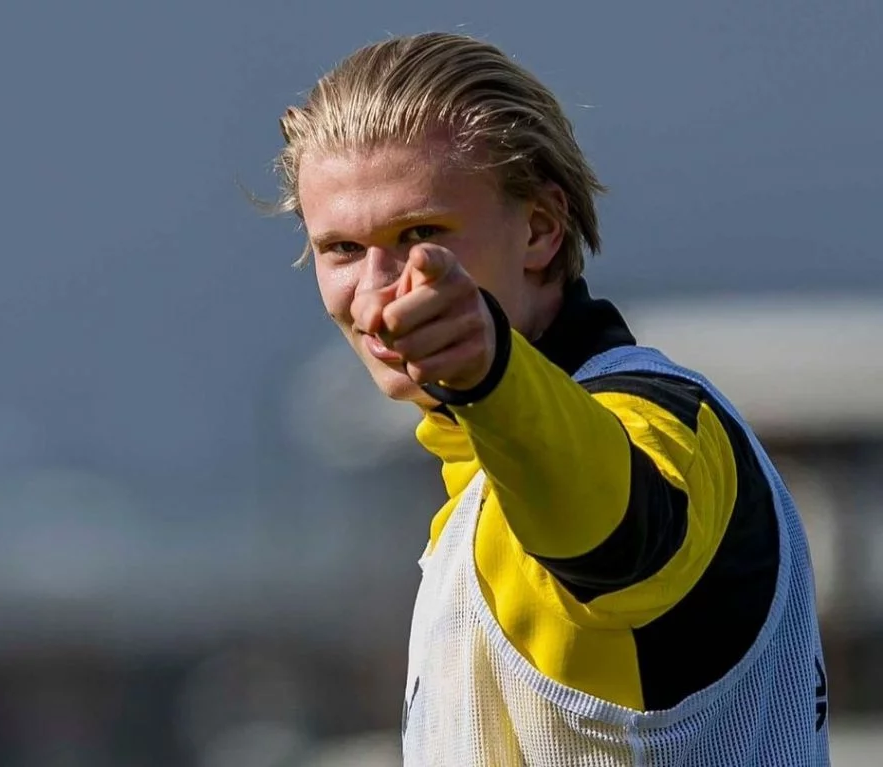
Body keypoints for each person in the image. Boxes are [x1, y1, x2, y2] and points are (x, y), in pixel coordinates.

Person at [270, 32, 830, 766]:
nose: (375, 291)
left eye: (421, 233)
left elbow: (618, 535)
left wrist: (491, 372)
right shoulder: (474, 485)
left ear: (540, 228)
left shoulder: (666, 420)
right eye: (341, 249)